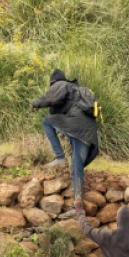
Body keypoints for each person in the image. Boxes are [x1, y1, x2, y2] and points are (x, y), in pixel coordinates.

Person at [32, 69, 100, 200]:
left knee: (46, 121)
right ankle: (77, 206)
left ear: (53, 82)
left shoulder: (62, 84)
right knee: (76, 168)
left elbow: (50, 98)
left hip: (76, 126)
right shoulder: (77, 92)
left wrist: (35, 104)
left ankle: (60, 157)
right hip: (88, 134)